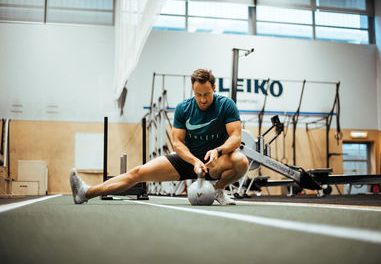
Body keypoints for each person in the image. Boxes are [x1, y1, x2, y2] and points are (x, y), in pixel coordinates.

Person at [70, 69, 249, 205]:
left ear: (214, 88)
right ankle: (86, 193)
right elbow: (177, 143)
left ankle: (218, 190)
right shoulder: (184, 108)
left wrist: (218, 150)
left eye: (207, 94)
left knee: (241, 162)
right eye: (198, 95)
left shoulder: (226, 105)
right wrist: (194, 161)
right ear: (193, 90)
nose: (202, 100)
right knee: (137, 173)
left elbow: (236, 138)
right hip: (187, 160)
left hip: (214, 161)